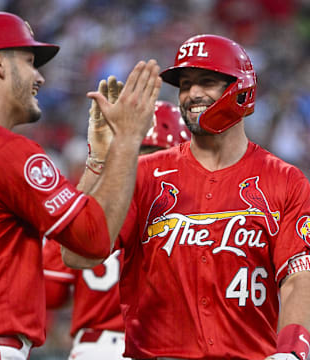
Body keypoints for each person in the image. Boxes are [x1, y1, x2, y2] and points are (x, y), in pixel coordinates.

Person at [62, 34, 310, 360]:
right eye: (185, 84)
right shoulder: (143, 175)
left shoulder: (285, 180)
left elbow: (298, 278)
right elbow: (78, 255)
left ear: (241, 88)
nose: (193, 94)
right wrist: (99, 162)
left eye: (207, 81)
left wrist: (292, 351)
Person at [0, 11, 161, 360]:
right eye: (31, 62)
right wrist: (127, 139)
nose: (40, 78)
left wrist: (97, 162)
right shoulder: (4, 149)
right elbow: (92, 242)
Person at [43, 98, 191, 360]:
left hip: (94, 347)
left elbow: (51, 292)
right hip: (157, 347)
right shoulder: (191, 214)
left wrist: (94, 300)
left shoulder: (91, 206)